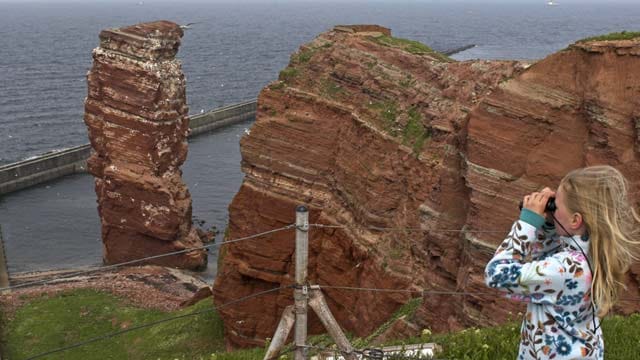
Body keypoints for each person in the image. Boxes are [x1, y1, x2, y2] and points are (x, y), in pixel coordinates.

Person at [484, 165, 640, 359]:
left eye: (556, 205)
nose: (551, 208)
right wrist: (550, 224)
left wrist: (527, 223)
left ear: (575, 220)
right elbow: (546, 260)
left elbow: (497, 275)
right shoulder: (591, 253)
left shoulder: (564, 268)